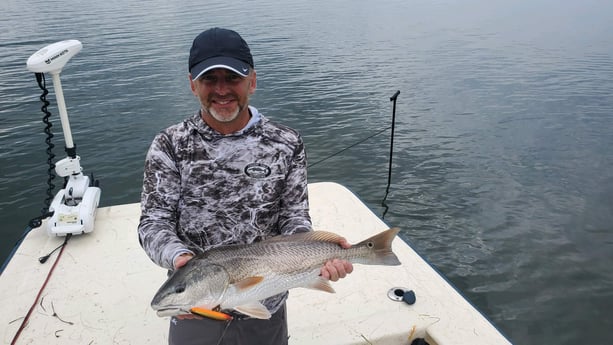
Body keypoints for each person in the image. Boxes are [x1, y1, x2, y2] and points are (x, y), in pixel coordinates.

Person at [137, 27, 353, 345]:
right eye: (210, 79)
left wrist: (315, 259)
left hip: (267, 299)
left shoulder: (286, 141)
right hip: (197, 308)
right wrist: (180, 259)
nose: (222, 90)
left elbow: (294, 216)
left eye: (233, 78)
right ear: (192, 84)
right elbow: (153, 222)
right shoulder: (170, 144)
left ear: (252, 80)